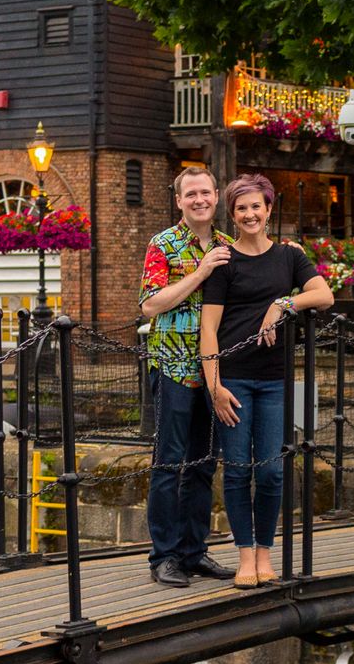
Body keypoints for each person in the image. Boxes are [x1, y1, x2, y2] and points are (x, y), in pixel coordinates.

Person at [200, 174, 334, 588]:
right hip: (234, 380)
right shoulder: (224, 262)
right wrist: (214, 385)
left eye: (256, 206)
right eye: (241, 208)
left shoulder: (289, 258)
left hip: (275, 379)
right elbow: (209, 330)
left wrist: (282, 303)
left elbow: (324, 294)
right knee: (239, 469)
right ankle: (244, 557)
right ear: (233, 215)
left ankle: (264, 553)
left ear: (269, 209)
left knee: (273, 471)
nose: (250, 214)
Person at [139, 166, 237, 588]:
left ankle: (194, 552)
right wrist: (200, 273)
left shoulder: (229, 246)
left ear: (216, 197)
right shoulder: (163, 244)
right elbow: (150, 304)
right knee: (168, 464)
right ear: (179, 200)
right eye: (190, 194)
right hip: (173, 367)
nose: (199, 200)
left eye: (206, 192)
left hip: (213, 369)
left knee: (202, 465)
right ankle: (163, 556)